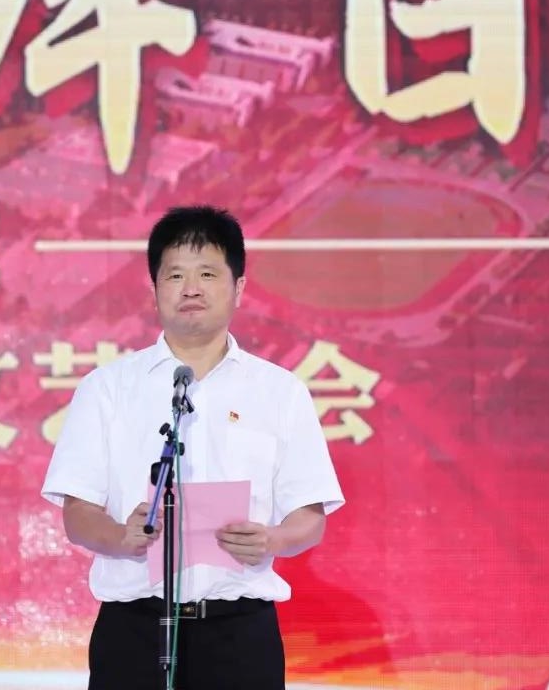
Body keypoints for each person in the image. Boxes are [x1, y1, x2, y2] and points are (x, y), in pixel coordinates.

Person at [42, 205, 344, 690]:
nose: (191, 288)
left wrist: (272, 539)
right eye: (175, 274)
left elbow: (310, 516)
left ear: (238, 287)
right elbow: (77, 514)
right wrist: (121, 536)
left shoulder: (279, 391)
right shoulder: (107, 388)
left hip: (239, 634)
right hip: (134, 631)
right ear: (154, 288)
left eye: (207, 273)